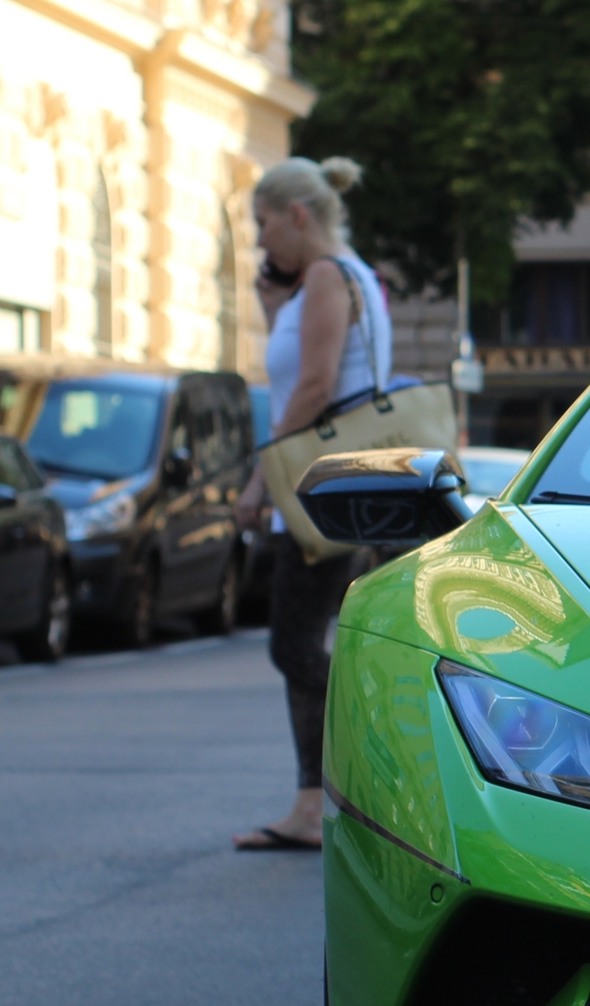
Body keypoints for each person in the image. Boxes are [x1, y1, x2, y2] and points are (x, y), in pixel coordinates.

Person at [231, 156, 391, 852]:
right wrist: (275, 307)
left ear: (298, 215)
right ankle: (321, 797)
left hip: (318, 488)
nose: (260, 241)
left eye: (263, 223)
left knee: (294, 642)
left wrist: (260, 481)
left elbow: (315, 386)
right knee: (306, 642)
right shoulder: (351, 276)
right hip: (344, 485)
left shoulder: (328, 276)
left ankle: (347, 790)